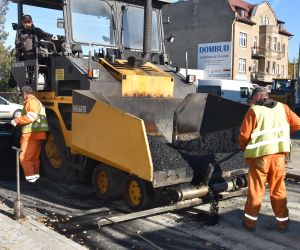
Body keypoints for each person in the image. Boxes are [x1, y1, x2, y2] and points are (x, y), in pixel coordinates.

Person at [239, 87, 300, 232]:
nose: (251, 100)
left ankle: (249, 223)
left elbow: (243, 135)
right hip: (279, 157)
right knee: (278, 189)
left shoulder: (254, 111)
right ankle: (282, 224)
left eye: (252, 97)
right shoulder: (283, 108)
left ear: (259, 96)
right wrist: (283, 134)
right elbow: (297, 123)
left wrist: (243, 147)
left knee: (256, 190)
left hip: (261, 157)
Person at [11, 86, 49, 183]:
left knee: (24, 158)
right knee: (34, 158)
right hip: (37, 133)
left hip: (30, 134)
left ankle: (30, 178)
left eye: (22, 95)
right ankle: (34, 177)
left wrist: (16, 120)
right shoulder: (36, 101)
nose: (22, 97)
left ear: (24, 93)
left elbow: (31, 116)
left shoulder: (31, 101)